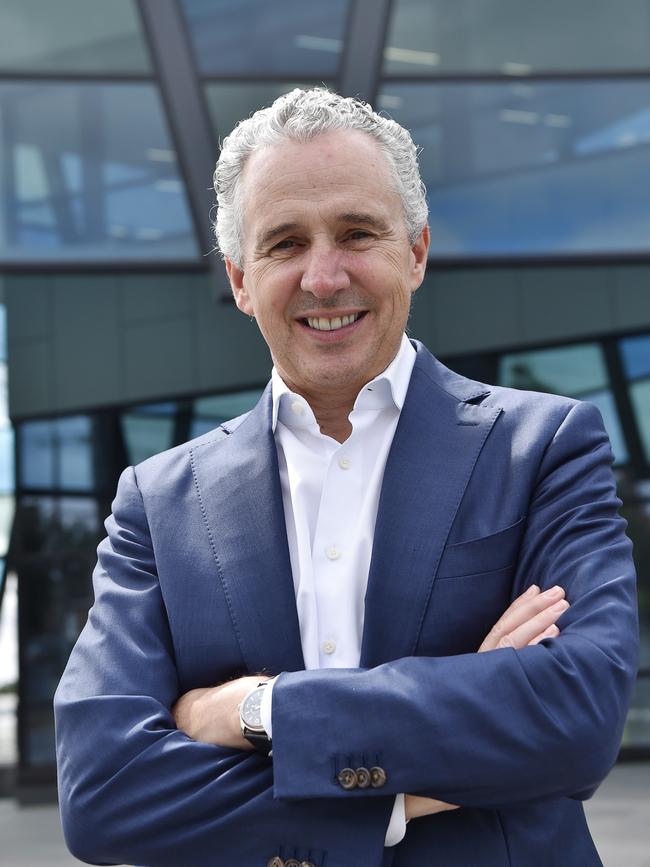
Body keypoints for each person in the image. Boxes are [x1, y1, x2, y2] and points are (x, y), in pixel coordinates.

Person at [55, 88, 638, 867]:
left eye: (357, 233)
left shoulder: (542, 449)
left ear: (417, 251)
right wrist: (419, 775)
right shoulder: (157, 506)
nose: (324, 277)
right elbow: (103, 793)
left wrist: (258, 710)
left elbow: (577, 717)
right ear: (238, 278)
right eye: (285, 243)